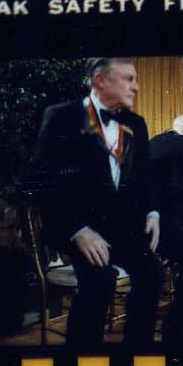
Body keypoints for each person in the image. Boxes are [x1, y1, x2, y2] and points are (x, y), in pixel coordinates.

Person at [28, 55, 155, 347]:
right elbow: (40, 180)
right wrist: (78, 229)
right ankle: (81, 360)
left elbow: (145, 177)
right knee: (100, 280)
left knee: (152, 272)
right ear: (100, 81)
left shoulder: (136, 123)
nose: (136, 87)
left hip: (119, 228)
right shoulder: (61, 116)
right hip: (73, 227)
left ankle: (140, 355)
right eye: (129, 79)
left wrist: (153, 212)